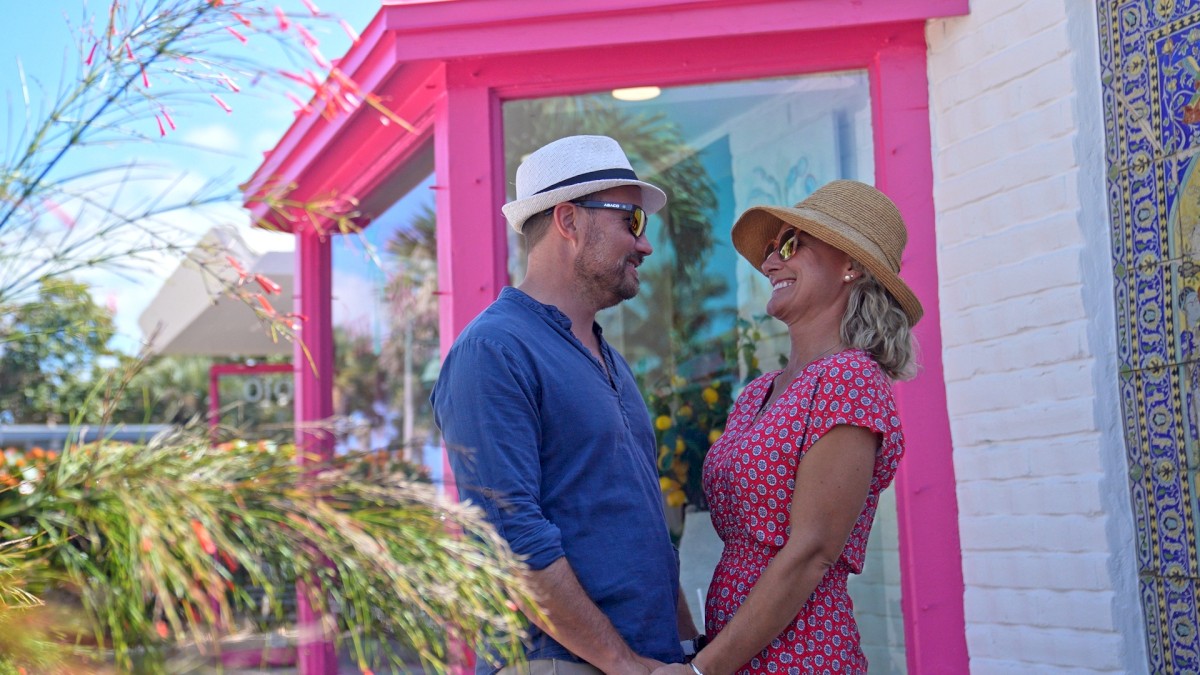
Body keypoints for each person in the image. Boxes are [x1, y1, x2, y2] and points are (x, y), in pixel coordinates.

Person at [431, 135, 699, 675]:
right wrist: (624, 664)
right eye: (632, 221)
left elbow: (642, 524)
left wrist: (689, 648)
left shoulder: (608, 358)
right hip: (563, 662)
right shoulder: (493, 351)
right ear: (569, 221)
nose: (645, 245)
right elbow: (512, 538)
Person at [655, 180, 922, 675]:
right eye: (772, 248)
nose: (770, 262)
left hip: (800, 655)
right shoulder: (758, 393)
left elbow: (812, 552)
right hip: (737, 651)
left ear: (851, 265)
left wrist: (701, 670)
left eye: (791, 245)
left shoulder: (849, 378)